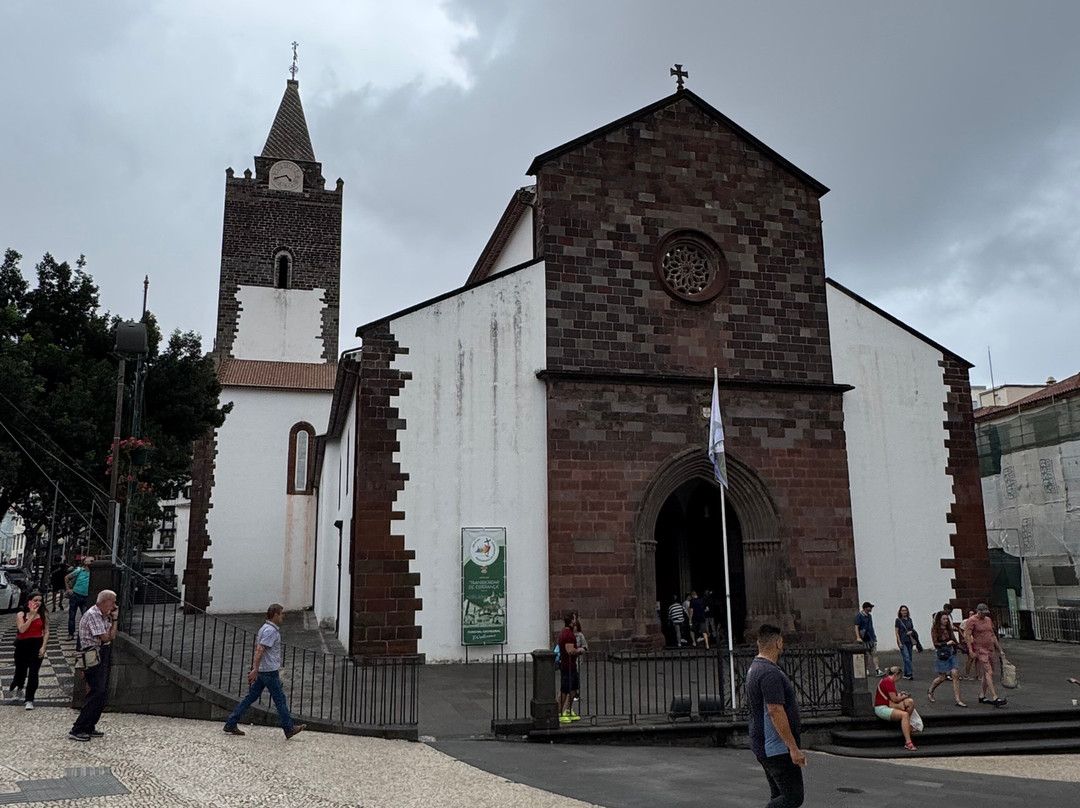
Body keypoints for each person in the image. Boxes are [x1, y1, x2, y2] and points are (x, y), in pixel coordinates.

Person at [223, 604, 307, 738]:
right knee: (280, 699)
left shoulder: (265, 628)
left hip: (264, 670)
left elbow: (260, 650)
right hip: (269, 671)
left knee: (250, 698)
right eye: (281, 614)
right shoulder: (270, 631)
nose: (283, 617)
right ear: (275, 615)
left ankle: (231, 723)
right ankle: (289, 728)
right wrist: (255, 669)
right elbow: (260, 649)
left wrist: (257, 669)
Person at [746, 624, 805, 808]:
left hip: (764, 743)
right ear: (779, 642)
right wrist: (793, 748)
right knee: (793, 797)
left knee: (778, 794)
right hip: (776, 748)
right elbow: (775, 711)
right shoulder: (769, 673)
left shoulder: (755, 668)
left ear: (758, 642)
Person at [69, 589, 118, 741]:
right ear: (104, 601)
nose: (114, 606)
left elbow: (112, 637)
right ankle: (79, 727)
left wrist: (113, 621)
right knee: (96, 691)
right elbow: (105, 637)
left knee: (101, 692)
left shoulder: (104, 616)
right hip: (93, 654)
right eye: (113, 602)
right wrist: (113, 622)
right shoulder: (93, 614)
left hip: (101, 653)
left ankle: (89, 725)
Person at [10, 591, 49, 709]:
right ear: (29, 601)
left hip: (36, 644)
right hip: (23, 645)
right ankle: (19, 685)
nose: (38, 603)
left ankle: (29, 699)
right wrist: (31, 617)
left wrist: (43, 647)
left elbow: (46, 631)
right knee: (20, 671)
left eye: (40, 600)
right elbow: (22, 629)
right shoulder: (21, 614)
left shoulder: (43, 614)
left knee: (33, 673)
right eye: (35, 600)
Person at [968, 603, 1007, 706]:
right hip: (980, 649)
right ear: (978, 612)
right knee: (988, 671)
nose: (984, 615)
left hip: (990, 648)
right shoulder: (972, 620)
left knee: (988, 673)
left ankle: (982, 695)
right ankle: (995, 696)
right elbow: (967, 636)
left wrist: (1000, 649)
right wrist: (970, 650)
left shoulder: (988, 620)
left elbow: (992, 635)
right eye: (983, 613)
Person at [927, 611, 966, 707]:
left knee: (955, 674)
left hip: (951, 652)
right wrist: (946, 643)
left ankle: (958, 699)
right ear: (939, 620)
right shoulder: (935, 629)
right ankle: (931, 690)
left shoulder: (949, 629)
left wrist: (962, 648)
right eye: (943, 619)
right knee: (942, 677)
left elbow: (954, 640)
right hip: (942, 653)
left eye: (946, 619)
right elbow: (935, 643)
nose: (945, 621)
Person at [874, 666, 918, 751]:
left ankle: (906, 725)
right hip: (881, 707)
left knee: (910, 702)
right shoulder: (889, 682)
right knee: (905, 715)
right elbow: (894, 699)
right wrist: (904, 696)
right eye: (899, 677)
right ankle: (908, 742)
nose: (898, 680)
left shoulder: (887, 680)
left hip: (887, 704)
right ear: (896, 675)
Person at [554, 612, 584, 723]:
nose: (576, 620)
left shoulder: (567, 633)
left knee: (573, 689)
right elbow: (570, 651)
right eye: (575, 618)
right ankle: (559, 713)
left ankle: (568, 710)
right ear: (572, 620)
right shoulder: (568, 635)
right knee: (564, 690)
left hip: (571, 666)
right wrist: (580, 650)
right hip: (567, 666)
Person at [65, 556, 93, 641]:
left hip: (86, 596)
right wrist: (68, 589)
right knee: (72, 615)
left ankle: (83, 634)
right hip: (76, 595)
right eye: (90, 561)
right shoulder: (80, 570)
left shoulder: (94, 573)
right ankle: (71, 633)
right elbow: (67, 577)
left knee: (85, 616)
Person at [854, 602, 882, 676]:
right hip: (864, 638)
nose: (871, 609)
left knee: (874, 653)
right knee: (865, 655)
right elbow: (856, 627)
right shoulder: (859, 616)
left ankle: (877, 669)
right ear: (866, 608)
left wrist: (874, 637)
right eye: (870, 607)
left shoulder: (869, 616)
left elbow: (871, 627)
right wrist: (858, 637)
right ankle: (866, 669)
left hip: (871, 637)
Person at [894, 605, 917, 680]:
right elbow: (896, 632)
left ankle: (906, 673)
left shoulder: (909, 619)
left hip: (909, 640)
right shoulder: (898, 620)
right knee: (906, 657)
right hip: (902, 640)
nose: (904, 612)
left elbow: (912, 629)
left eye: (905, 610)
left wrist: (911, 632)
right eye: (903, 610)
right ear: (900, 612)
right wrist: (899, 642)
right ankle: (910, 673)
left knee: (909, 657)